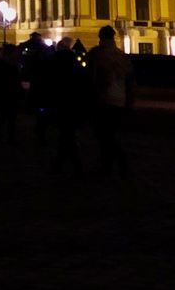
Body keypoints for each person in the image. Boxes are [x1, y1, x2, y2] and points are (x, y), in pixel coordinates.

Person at [88, 25, 134, 178]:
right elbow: (129, 80)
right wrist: (129, 101)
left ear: (100, 37)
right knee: (110, 133)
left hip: (102, 99)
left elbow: (90, 78)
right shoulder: (122, 55)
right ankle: (113, 164)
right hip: (119, 99)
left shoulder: (96, 54)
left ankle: (113, 163)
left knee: (103, 135)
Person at [50, 37, 87, 175]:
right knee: (69, 134)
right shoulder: (74, 61)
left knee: (65, 134)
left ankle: (62, 163)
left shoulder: (54, 61)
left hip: (60, 101)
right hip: (73, 102)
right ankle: (72, 163)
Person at [0, 44, 22, 145]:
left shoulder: (6, 64)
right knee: (6, 116)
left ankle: (5, 135)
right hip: (6, 94)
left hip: (9, 93)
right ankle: (5, 136)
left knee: (7, 116)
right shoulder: (5, 65)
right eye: (15, 52)